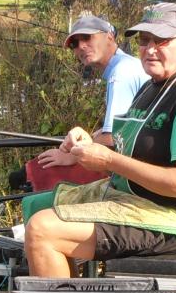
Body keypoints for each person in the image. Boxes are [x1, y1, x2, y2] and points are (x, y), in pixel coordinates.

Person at [23, 2, 176, 278]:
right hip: (130, 199)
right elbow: (127, 148)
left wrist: (109, 160)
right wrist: (87, 144)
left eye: (162, 40)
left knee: (42, 230)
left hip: (173, 221)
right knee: (35, 206)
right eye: (145, 41)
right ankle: (70, 292)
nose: (151, 48)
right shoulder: (152, 86)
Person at [22, 13, 150, 192]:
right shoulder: (126, 64)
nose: (81, 46)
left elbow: (112, 137)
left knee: (43, 171)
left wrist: (72, 156)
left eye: (87, 37)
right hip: (137, 159)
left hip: (139, 170)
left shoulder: (120, 74)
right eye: (74, 44)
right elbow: (117, 128)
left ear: (110, 37)